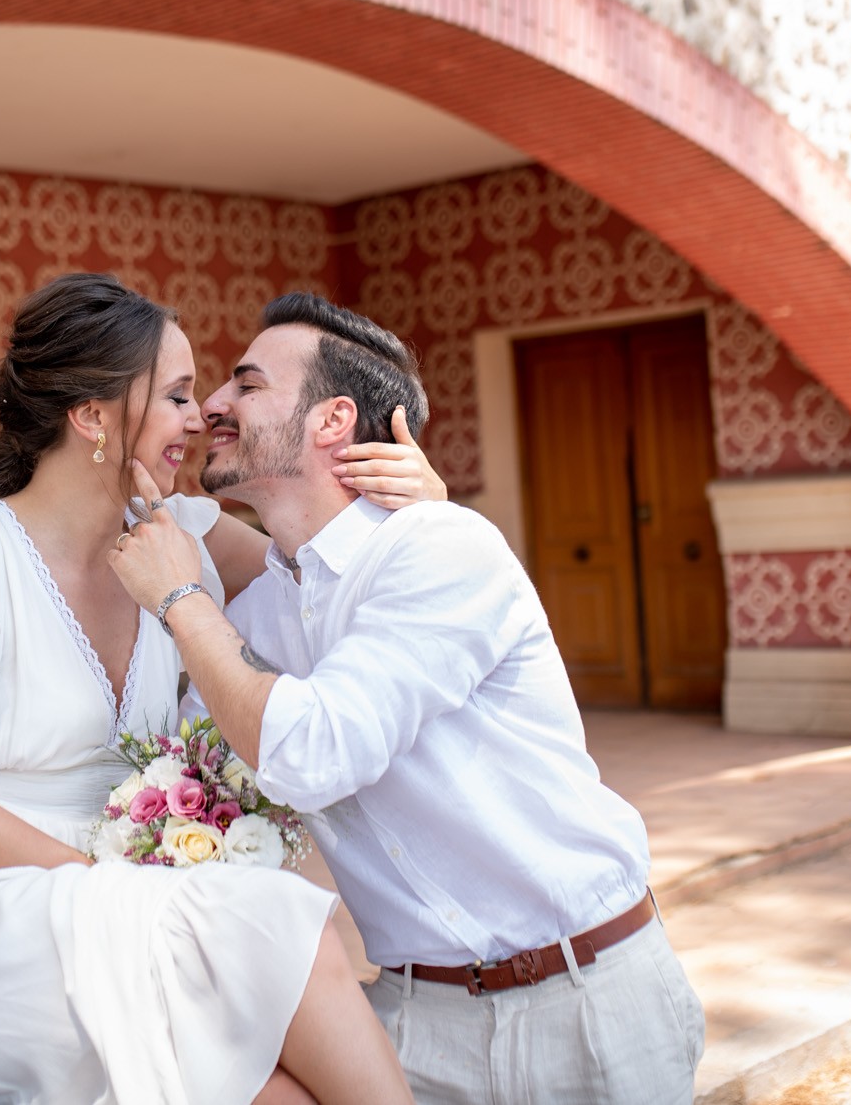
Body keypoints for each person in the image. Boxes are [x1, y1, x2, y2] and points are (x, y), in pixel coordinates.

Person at [108, 293, 705, 1105]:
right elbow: (189, 763)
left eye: (245, 385)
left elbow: (312, 752)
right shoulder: (258, 619)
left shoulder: (439, 546)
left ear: (333, 420)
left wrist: (180, 598)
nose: (213, 402)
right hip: (415, 1019)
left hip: (588, 999)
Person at [0, 272, 433, 1105]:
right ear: (92, 416)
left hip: (139, 890)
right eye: (173, 395)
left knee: (277, 1090)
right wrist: (110, 885)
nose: (201, 415)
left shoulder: (188, 540)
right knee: (285, 925)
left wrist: (421, 507)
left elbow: (328, 571)